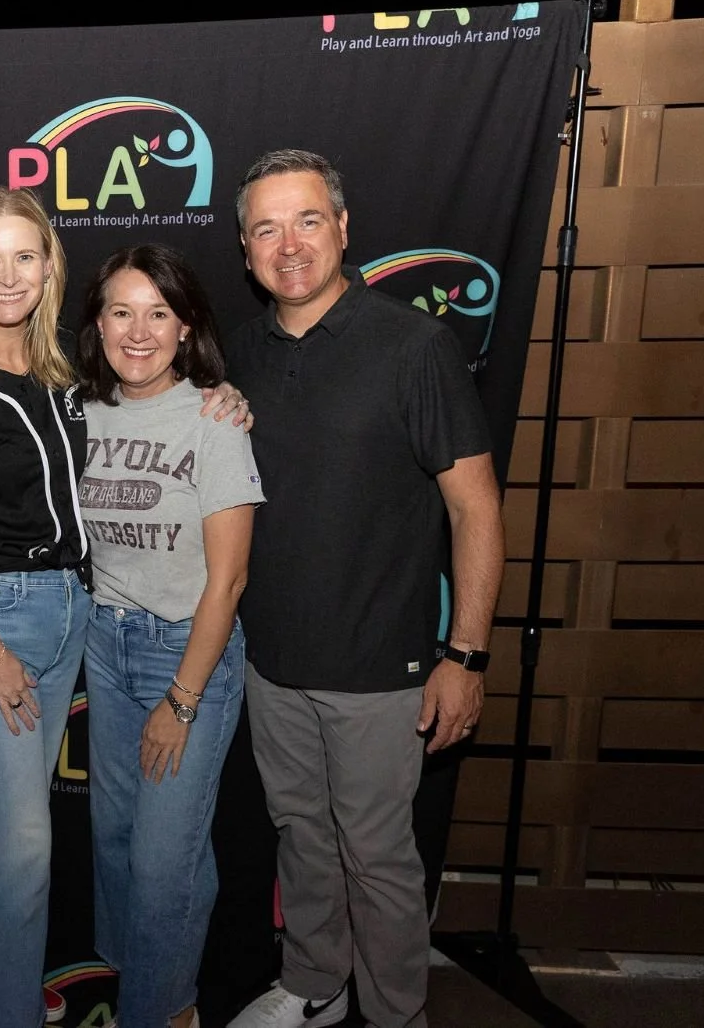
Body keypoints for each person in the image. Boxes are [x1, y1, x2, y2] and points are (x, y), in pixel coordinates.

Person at [0, 188, 250, 1028]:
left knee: (2, 822)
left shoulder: (67, 379)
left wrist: (226, 398)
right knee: (18, 846)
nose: (8, 275)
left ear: (49, 268)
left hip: (74, 615)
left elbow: (169, 409)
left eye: (25, 256)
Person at [222, 150, 505, 1028]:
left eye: (308, 220)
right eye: (267, 228)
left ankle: (394, 1015)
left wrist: (466, 655)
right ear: (245, 249)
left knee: (379, 858)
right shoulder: (238, 354)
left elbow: (477, 510)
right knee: (302, 838)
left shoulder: (413, 346)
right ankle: (314, 986)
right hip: (270, 662)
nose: (290, 243)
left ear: (343, 230)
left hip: (384, 669)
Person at [76, 245, 265, 1028]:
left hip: (186, 654)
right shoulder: (77, 413)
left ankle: (157, 1012)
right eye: (122, 310)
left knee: (164, 861)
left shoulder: (214, 419)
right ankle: (156, 987)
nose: (140, 330)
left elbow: (228, 581)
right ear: (98, 324)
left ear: (186, 328)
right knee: (120, 840)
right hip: (104, 644)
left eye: (159, 312)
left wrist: (182, 699)